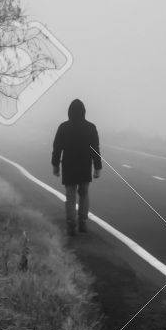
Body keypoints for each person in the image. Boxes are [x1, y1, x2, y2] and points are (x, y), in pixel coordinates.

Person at [51, 99, 101, 235]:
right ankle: (83, 222)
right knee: (84, 194)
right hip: (85, 166)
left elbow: (57, 148)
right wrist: (97, 167)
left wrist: (55, 165)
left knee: (70, 195)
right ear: (84, 112)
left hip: (69, 166)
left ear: (69, 112)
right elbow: (95, 149)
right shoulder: (91, 127)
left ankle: (71, 224)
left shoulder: (63, 127)